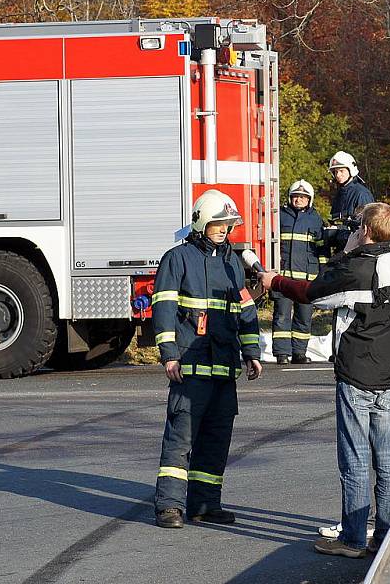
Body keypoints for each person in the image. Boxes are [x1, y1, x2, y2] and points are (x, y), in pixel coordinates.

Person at [259, 202, 390, 558]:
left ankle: (353, 539)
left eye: (359, 225)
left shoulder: (357, 268)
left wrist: (276, 281)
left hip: (356, 374)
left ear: (367, 231)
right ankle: (386, 537)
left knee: (355, 458)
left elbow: (313, 292)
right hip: (387, 375)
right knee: (386, 459)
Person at [152, 189, 263, 528]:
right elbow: (165, 308)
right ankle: (169, 506)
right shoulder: (178, 258)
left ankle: (204, 503)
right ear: (202, 222)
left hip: (224, 368)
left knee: (216, 439)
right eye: (218, 223)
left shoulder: (232, 261)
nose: (223, 230)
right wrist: (169, 356)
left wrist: (252, 352)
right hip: (189, 366)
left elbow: (244, 311)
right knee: (180, 439)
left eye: (228, 225)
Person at [272, 180, 327, 364]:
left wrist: (324, 273)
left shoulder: (316, 219)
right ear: (290, 198)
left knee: (304, 319)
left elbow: (322, 249)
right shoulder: (279, 216)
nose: (299, 200)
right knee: (281, 317)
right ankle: (281, 353)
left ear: (309, 200)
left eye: (303, 197)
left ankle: (299, 353)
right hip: (284, 278)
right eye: (296, 197)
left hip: (307, 280)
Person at [326, 151, 374, 253]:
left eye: (341, 171)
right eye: (335, 172)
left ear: (351, 170)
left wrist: (340, 230)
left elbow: (366, 228)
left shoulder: (361, 194)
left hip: (357, 251)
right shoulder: (339, 195)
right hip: (341, 250)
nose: (338, 175)